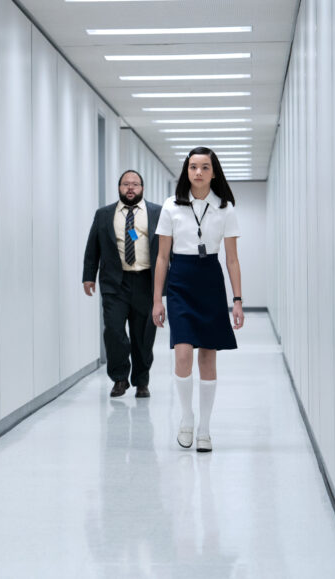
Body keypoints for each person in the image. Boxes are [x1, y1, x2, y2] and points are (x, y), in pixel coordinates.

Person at [152, 147, 244, 452]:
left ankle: (205, 427)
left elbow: (232, 259)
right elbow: (162, 257)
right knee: (182, 354)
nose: (199, 173)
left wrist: (238, 300)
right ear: (186, 171)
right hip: (180, 280)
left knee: (208, 356)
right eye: (193, 167)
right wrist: (157, 300)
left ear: (214, 172)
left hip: (209, 281)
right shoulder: (171, 207)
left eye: (205, 167)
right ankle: (187, 418)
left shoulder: (225, 208)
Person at [83, 170, 163, 398]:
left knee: (143, 336)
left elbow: (166, 250)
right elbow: (93, 247)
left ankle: (141, 381)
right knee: (114, 331)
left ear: (142, 188)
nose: (130, 188)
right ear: (119, 188)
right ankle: (119, 379)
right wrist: (88, 275)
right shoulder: (104, 214)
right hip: (114, 284)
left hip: (145, 281)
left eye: (135, 184)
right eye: (126, 184)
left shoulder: (157, 213)